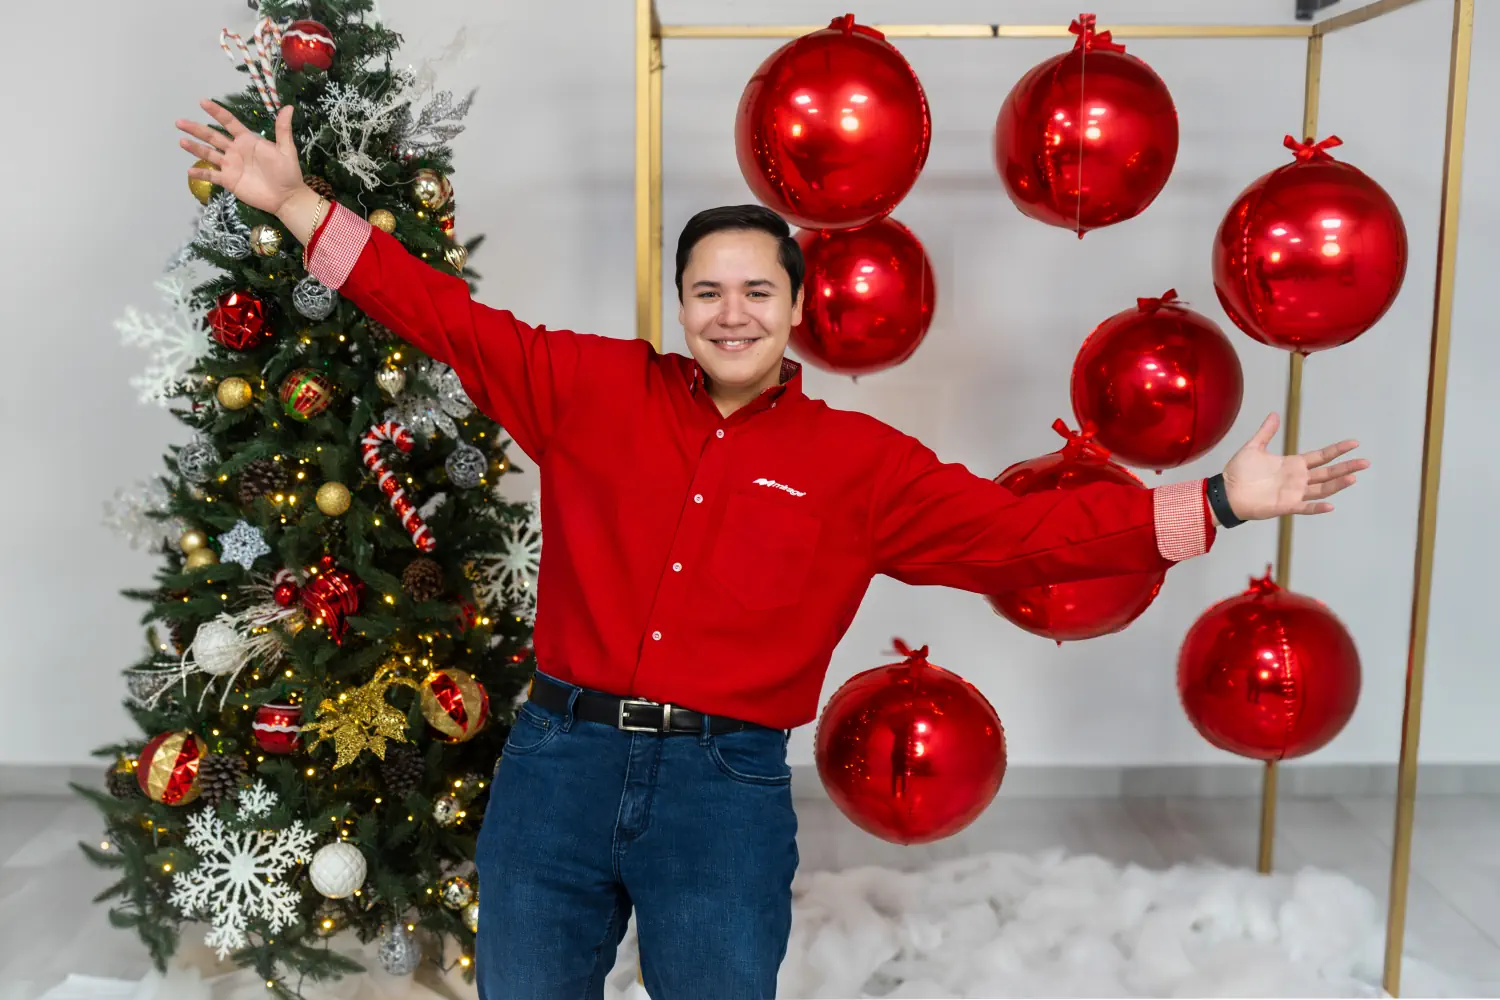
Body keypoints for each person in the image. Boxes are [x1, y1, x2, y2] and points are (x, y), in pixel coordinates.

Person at [177, 100, 1367, 1000]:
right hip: (556, 766)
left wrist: (1217, 500)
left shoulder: (861, 463)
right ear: (681, 305)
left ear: (798, 308)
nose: (731, 313)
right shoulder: (587, 389)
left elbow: (1022, 538)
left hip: (723, 789)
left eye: (757, 291)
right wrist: (296, 204)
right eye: (708, 292)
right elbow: (442, 315)